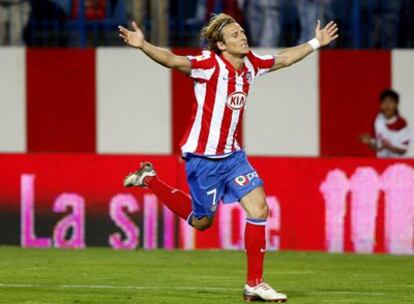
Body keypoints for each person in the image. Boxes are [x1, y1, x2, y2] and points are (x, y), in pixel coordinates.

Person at [118, 13, 338, 302]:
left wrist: (314, 43)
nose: (243, 37)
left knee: (259, 209)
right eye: (235, 35)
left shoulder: (251, 64)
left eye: (242, 32)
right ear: (221, 45)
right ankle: (149, 180)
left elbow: (283, 59)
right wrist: (144, 45)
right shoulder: (208, 65)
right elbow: (173, 61)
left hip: (233, 156)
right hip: (203, 159)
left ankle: (254, 284)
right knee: (202, 222)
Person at [360, 89, 411, 158]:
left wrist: (387, 146)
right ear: (380, 105)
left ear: (396, 104)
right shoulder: (378, 121)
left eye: (390, 101)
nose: (387, 105)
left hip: (399, 162)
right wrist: (369, 142)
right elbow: (377, 146)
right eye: (384, 101)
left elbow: (403, 150)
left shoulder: (402, 123)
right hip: (383, 162)